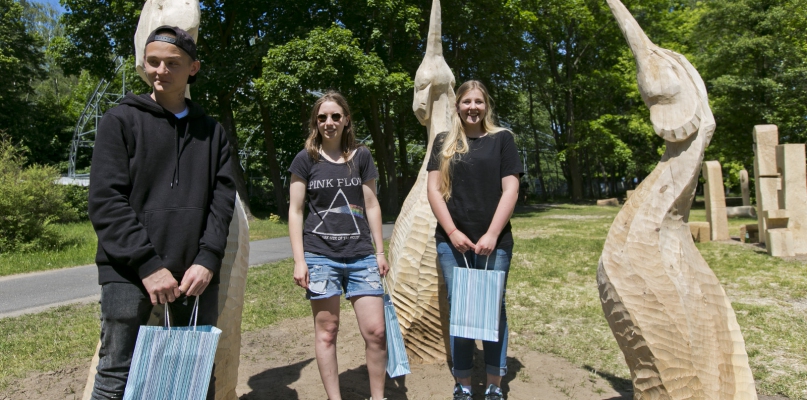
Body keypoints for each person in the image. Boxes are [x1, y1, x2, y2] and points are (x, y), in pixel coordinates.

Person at [88, 26, 236, 400]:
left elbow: (223, 200)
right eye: (153, 62)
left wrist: (207, 259)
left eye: (173, 63)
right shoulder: (119, 121)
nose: (160, 71)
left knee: (194, 376)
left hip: (195, 276)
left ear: (193, 68)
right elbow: (106, 201)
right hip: (128, 273)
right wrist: (148, 265)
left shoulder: (213, 132)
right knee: (114, 377)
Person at [288, 91, 389, 400]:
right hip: (320, 257)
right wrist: (299, 260)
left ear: (346, 120)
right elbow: (295, 211)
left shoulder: (362, 156)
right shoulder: (306, 159)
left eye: (335, 116)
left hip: (361, 256)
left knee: (377, 332)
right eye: (322, 117)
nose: (328, 122)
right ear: (315, 123)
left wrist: (380, 251)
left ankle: (378, 397)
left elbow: (371, 205)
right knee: (327, 332)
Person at [426, 80, 523, 400]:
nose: (472, 108)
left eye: (478, 102)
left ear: (486, 106)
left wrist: (492, 234)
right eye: (466, 102)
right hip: (452, 244)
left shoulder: (502, 139)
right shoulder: (444, 142)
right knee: (463, 310)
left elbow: (510, 189)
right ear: (457, 106)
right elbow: (434, 190)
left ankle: (495, 384)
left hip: (495, 243)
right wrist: (453, 232)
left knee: (493, 308)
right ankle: (464, 384)